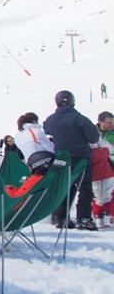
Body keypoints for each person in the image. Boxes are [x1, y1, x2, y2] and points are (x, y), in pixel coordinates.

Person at [43, 90, 99, 231]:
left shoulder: (51, 119)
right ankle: (84, 218)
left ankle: (60, 217)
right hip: (81, 158)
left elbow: (46, 129)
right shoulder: (79, 119)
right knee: (85, 189)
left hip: (62, 159)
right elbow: (93, 137)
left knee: (65, 187)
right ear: (73, 102)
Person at [92, 111, 114, 228]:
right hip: (100, 170)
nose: (112, 125)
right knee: (100, 195)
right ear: (100, 122)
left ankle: (107, 215)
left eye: (113, 122)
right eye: (109, 122)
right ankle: (100, 216)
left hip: (109, 169)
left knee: (108, 194)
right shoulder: (93, 133)